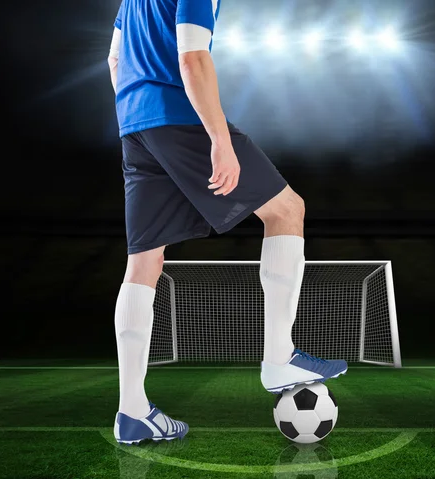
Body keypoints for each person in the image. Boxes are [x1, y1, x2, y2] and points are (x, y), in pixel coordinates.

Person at [107, 0, 347, 445]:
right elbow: (192, 55)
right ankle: (279, 356)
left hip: (134, 123)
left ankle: (132, 411)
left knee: (143, 262)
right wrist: (219, 139)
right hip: (180, 115)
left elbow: (115, 59)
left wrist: (137, 116)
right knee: (286, 210)